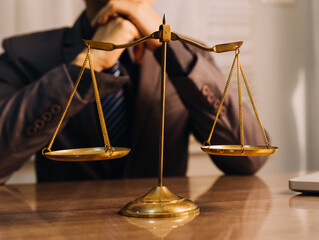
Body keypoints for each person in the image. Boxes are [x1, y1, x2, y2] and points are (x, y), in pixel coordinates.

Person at [0, 0, 269, 183]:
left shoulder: (188, 56)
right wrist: (87, 64)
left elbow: (248, 161)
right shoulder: (26, 54)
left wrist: (172, 50)